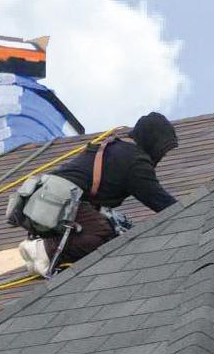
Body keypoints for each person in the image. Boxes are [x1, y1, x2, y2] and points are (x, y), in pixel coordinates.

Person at [18, 112, 178, 274]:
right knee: (102, 232)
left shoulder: (117, 149)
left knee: (112, 231)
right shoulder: (135, 162)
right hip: (59, 202)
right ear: (153, 142)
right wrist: (191, 210)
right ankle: (43, 250)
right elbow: (160, 201)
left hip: (42, 201)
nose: (162, 156)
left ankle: (42, 252)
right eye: (162, 150)